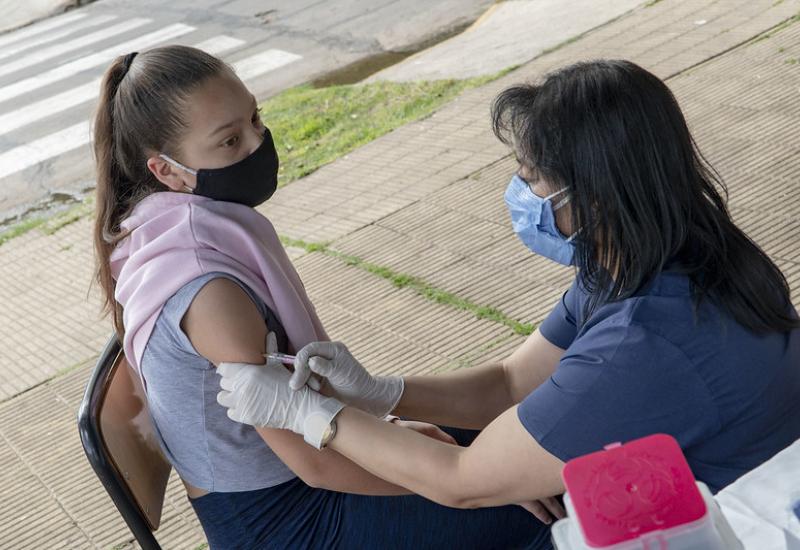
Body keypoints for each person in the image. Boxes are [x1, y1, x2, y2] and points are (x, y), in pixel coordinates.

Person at [216, 59, 800, 516]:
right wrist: (379, 392)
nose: (520, 196)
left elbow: (461, 483)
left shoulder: (645, 342)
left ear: (592, 196)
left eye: (530, 179)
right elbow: (511, 381)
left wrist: (311, 414)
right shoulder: (669, 251)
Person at [93, 45, 555, 550]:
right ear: (168, 171)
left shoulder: (170, 232)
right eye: (229, 141)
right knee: (548, 499)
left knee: (530, 441)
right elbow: (315, 465)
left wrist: (400, 430)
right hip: (289, 522)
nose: (258, 143)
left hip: (311, 475)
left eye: (255, 118)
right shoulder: (209, 290)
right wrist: (474, 483)